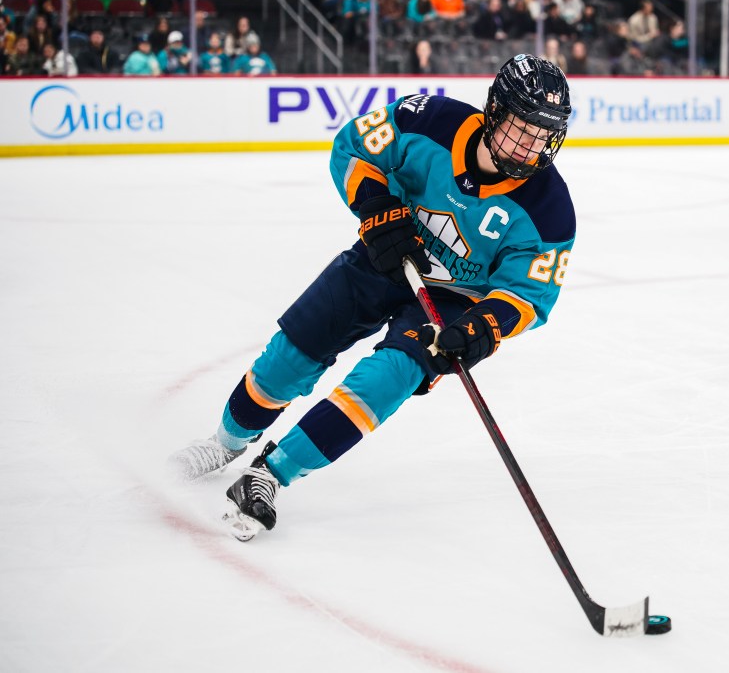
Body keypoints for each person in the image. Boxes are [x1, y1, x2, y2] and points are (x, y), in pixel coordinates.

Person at [167, 54, 576, 542]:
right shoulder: (428, 121)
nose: (532, 146)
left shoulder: (551, 211)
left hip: (453, 303)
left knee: (391, 377)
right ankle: (227, 442)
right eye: (522, 128)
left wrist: (478, 330)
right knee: (291, 356)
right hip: (384, 258)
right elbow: (354, 146)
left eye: (544, 134)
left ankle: (269, 475)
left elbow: (529, 295)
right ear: (494, 111)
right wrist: (377, 207)